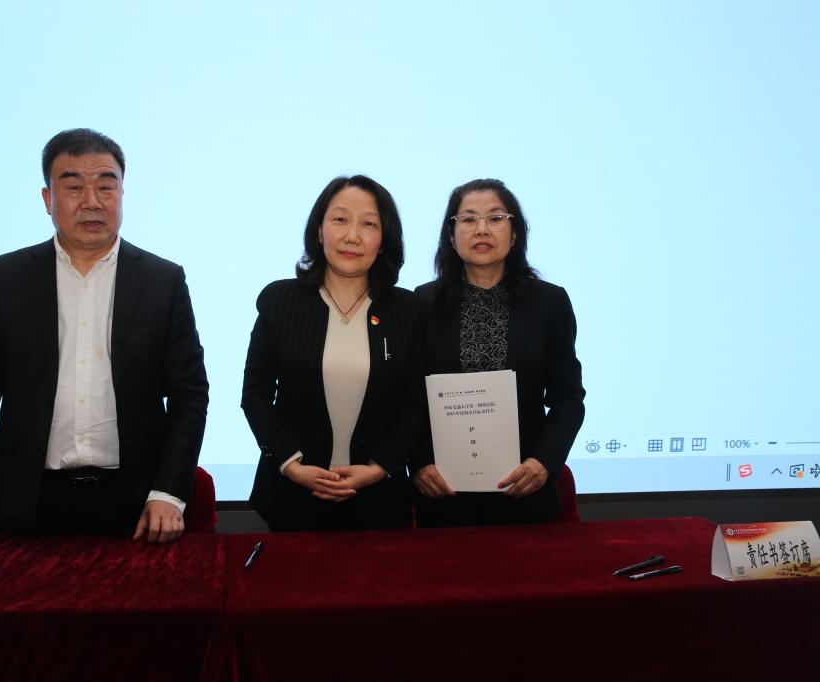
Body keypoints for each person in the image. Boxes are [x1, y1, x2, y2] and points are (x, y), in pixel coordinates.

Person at [0, 129, 208, 550]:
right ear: (48, 199)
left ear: (122, 193)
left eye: (106, 186)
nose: (92, 201)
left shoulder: (163, 281)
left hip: (136, 503)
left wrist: (167, 493)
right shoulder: (5, 279)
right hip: (30, 500)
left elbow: (189, 395)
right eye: (74, 187)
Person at [242, 175, 427, 531]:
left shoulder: (408, 310)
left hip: (380, 501)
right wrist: (291, 465)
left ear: (384, 240)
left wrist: (378, 468)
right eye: (340, 219)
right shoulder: (280, 301)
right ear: (318, 230)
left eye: (369, 224)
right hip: (292, 495)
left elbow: (416, 403)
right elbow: (256, 395)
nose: (352, 236)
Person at [411, 179, 584, 526]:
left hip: (525, 490)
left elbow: (568, 398)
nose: (482, 229)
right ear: (451, 235)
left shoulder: (549, 302)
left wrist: (543, 462)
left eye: (495, 218)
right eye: (468, 219)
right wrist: (418, 463)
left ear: (515, 233)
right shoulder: (422, 302)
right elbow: (408, 397)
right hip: (444, 492)